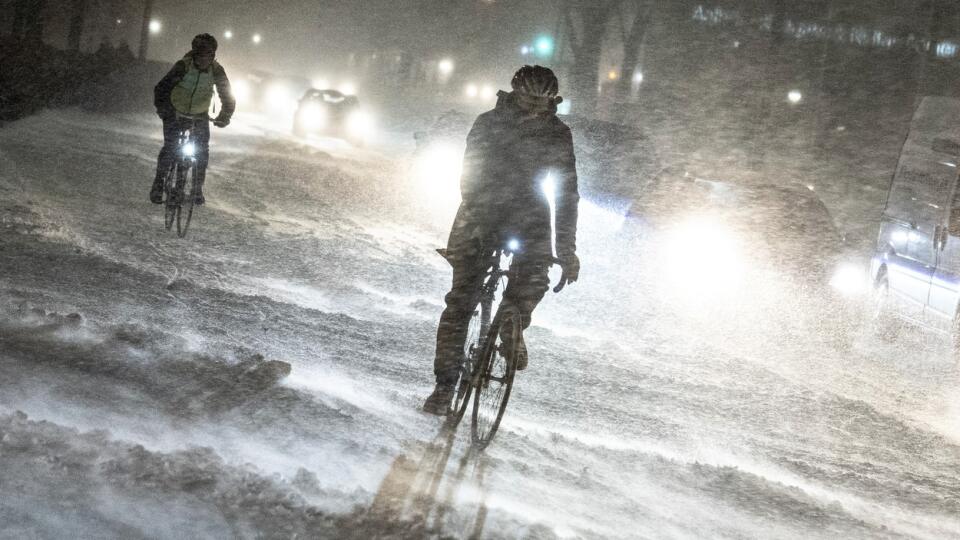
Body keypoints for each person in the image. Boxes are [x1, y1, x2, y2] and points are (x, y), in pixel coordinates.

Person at [422, 65, 581, 415]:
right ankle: (444, 385)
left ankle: (513, 326)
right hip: (480, 211)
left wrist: (567, 249)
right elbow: (471, 175)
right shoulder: (488, 123)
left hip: (529, 217)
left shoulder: (558, 134)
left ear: (553, 101)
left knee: (534, 276)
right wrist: (481, 219)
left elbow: (567, 194)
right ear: (514, 92)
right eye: (528, 98)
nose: (534, 107)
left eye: (543, 101)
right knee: (461, 302)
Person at [149, 33, 235, 205]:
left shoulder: (216, 71)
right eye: (201, 55)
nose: (205, 60)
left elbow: (227, 96)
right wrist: (164, 110)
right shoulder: (183, 66)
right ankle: (159, 183)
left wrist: (224, 116)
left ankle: (196, 188)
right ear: (195, 54)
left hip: (199, 114)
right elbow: (161, 88)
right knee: (171, 146)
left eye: (209, 56)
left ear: (213, 56)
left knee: (202, 149)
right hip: (175, 110)